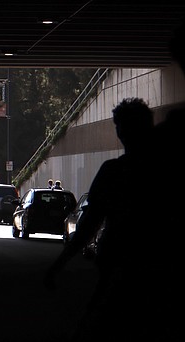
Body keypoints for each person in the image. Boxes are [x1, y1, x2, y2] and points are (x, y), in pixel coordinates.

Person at [44, 98, 157, 341]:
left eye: (121, 127)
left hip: (117, 263)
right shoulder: (167, 169)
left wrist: (58, 265)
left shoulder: (114, 172)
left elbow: (89, 224)